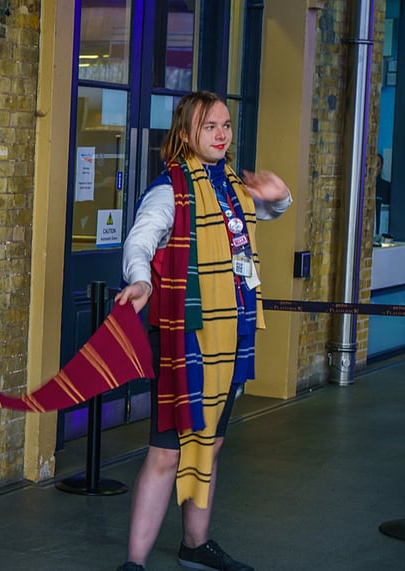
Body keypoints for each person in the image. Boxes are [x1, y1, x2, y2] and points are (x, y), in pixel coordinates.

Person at [113, 91, 292, 571]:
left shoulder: (233, 182)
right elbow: (141, 238)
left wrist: (280, 196)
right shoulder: (170, 188)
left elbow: (263, 213)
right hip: (186, 334)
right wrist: (140, 279)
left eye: (226, 125)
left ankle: (195, 544)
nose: (221, 134)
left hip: (231, 333)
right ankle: (134, 562)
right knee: (167, 450)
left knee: (210, 442)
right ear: (187, 133)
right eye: (210, 126)